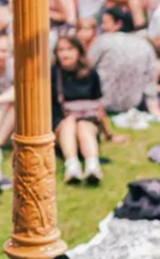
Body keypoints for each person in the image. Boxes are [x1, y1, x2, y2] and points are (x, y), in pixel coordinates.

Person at [51, 34, 127, 184]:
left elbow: (98, 106)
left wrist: (109, 134)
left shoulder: (91, 74)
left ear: (78, 51)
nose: (65, 54)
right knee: (69, 123)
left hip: (87, 123)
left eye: (69, 49)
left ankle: (92, 166)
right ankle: (72, 166)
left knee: (83, 126)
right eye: (61, 50)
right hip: (63, 126)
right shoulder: (53, 74)